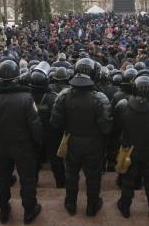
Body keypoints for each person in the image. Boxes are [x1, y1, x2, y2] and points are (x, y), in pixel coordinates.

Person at [0, 60, 43, 224]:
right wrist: (38, 144)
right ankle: (29, 210)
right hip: (23, 146)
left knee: (1, 180)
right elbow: (35, 126)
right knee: (27, 179)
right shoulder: (26, 98)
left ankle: (3, 209)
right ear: (17, 78)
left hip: (1, 145)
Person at [51, 58, 113, 217]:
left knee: (71, 174)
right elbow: (106, 128)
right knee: (93, 176)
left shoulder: (63, 95)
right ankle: (92, 206)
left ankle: (71, 203)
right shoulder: (100, 98)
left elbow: (55, 123)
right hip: (94, 144)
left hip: (72, 141)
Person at [115, 75, 149, 218]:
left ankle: (125, 207)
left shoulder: (123, 106)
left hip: (129, 150)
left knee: (128, 180)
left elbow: (119, 126)